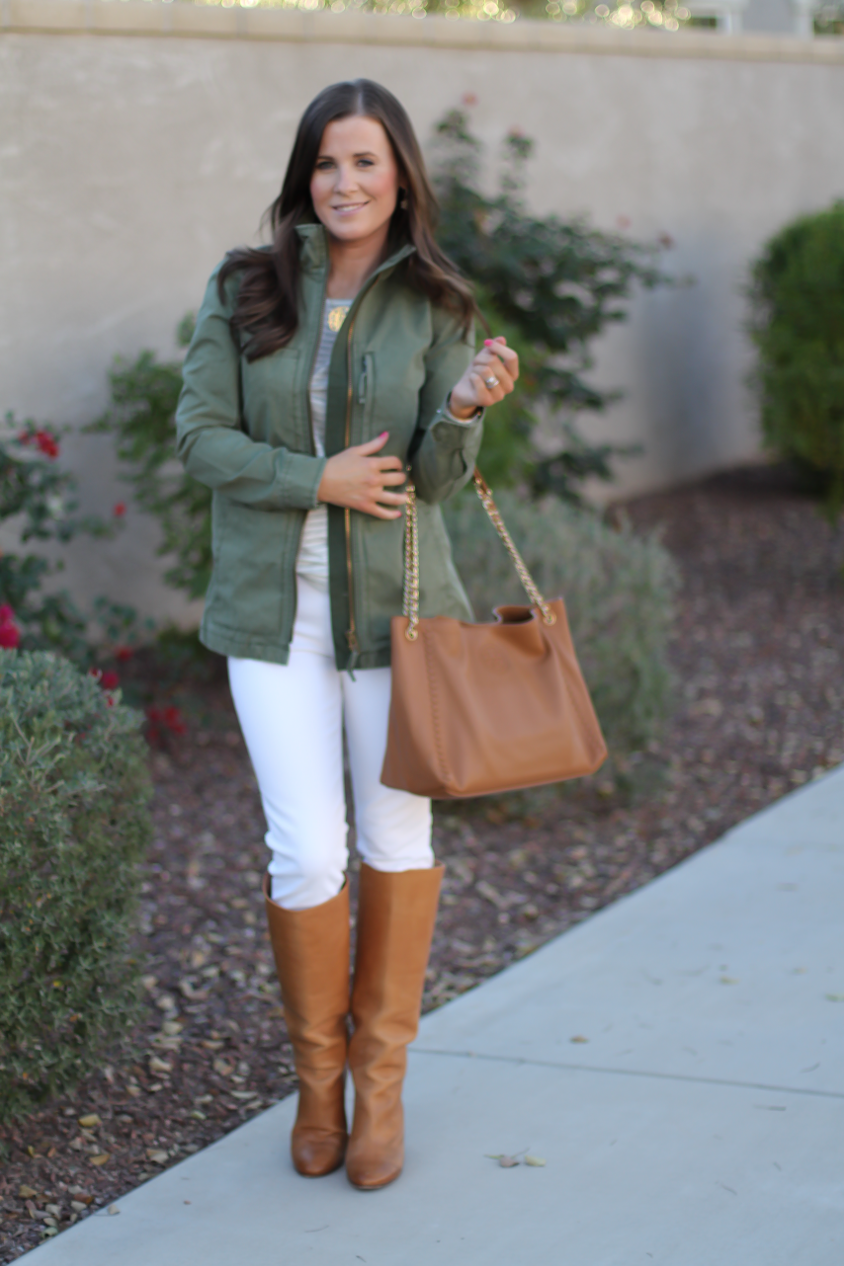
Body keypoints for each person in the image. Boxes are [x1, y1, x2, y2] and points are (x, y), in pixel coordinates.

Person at [175, 79, 519, 1191]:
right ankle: (316, 1083)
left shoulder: (434, 303)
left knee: (394, 840)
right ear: (303, 177)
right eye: (326, 163)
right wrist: (309, 477)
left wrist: (460, 410)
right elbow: (200, 437)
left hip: (396, 619)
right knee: (306, 851)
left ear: (400, 175)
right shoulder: (245, 288)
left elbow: (431, 480)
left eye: (364, 162)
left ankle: (381, 1086)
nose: (344, 182)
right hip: (270, 620)